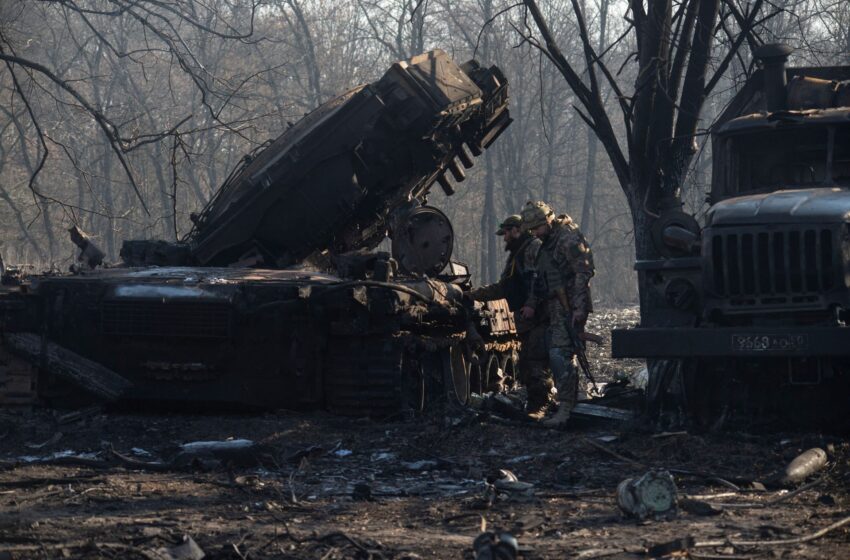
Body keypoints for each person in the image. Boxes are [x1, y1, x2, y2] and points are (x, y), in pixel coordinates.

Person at [465, 215, 552, 416]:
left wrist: (531, 305)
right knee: (528, 363)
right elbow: (505, 287)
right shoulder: (518, 253)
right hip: (526, 318)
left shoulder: (532, 248)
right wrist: (475, 295)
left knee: (535, 363)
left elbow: (539, 281)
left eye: (506, 233)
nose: (504, 238)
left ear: (516, 230)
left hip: (536, 317)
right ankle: (536, 406)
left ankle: (541, 407)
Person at [521, 201, 594, 427]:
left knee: (560, 353)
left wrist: (579, 308)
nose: (534, 234)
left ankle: (566, 408)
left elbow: (584, 271)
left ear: (547, 221)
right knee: (559, 352)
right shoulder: (546, 243)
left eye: (536, 229)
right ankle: (575, 398)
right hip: (554, 305)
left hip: (570, 304)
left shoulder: (567, 237)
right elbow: (539, 277)